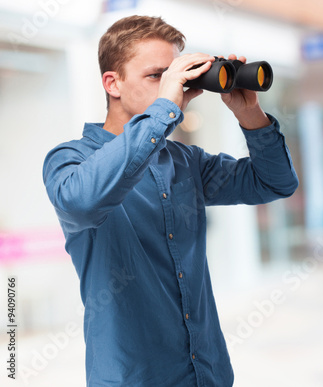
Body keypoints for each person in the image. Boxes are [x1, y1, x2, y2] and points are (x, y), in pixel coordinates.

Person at [43, 15, 298, 386]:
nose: (171, 87)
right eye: (155, 77)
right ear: (112, 83)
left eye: (176, 75)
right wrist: (164, 106)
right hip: (133, 377)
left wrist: (249, 114)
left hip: (206, 374)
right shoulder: (70, 161)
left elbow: (274, 183)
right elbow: (83, 200)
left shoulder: (185, 161)